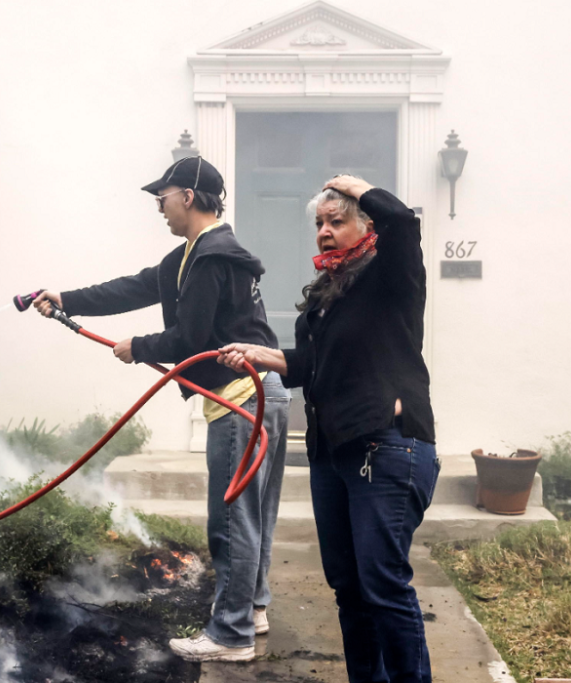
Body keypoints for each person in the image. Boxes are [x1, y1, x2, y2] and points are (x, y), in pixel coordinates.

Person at [32, 156, 290, 663]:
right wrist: (65, 298)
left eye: (163, 197)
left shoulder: (211, 257)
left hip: (241, 401)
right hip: (263, 394)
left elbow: (190, 338)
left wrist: (139, 346)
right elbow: (134, 286)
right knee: (254, 516)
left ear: (188, 197)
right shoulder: (194, 253)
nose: (159, 207)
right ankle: (252, 609)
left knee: (233, 521)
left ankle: (231, 635)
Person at [218, 175, 439, 683]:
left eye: (337, 221)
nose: (324, 231)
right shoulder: (329, 293)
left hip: (387, 444)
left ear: (367, 225)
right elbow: (313, 364)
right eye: (319, 222)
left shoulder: (390, 277)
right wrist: (261, 354)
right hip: (333, 453)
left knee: (382, 583)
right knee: (348, 585)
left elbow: (404, 223)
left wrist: (356, 187)